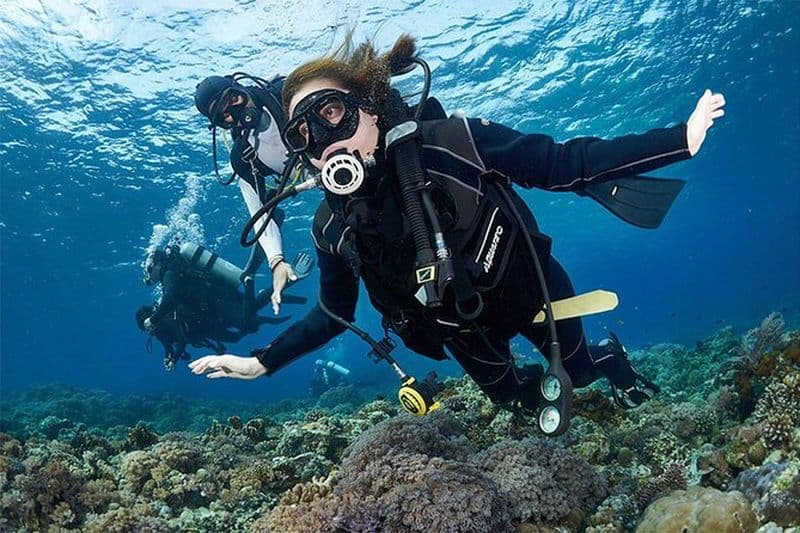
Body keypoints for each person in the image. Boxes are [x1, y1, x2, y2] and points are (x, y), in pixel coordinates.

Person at [190, 35, 725, 421]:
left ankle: (610, 360)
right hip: (462, 336)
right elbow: (334, 315)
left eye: (335, 112)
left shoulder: (453, 144)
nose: (327, 140)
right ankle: (533, 387)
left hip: (532, 292)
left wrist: (679, 138)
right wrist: (263, 362)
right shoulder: (332, 226)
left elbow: (565, 163)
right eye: (306, 133)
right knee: (519, 401)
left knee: (580, 373)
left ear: (373, 109)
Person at [194, 73, 305, 315]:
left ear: (241, 87)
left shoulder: (287, 92)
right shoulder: (243, 157)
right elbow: (258, 212)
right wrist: (276, 262)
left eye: (233, 99)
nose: (235, 113)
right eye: (223, 116)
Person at [141, 244, 311, 368]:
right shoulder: (170, 273)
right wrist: (170, 356)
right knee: (252, 311)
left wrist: (153, 319)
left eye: (148, 270)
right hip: (216, 300)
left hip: (216, 297)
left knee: (247, 322)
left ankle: (251, 276)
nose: (149, 275)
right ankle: (284, 277)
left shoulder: (169, 273)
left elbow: (170, 298)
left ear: (155, 264)